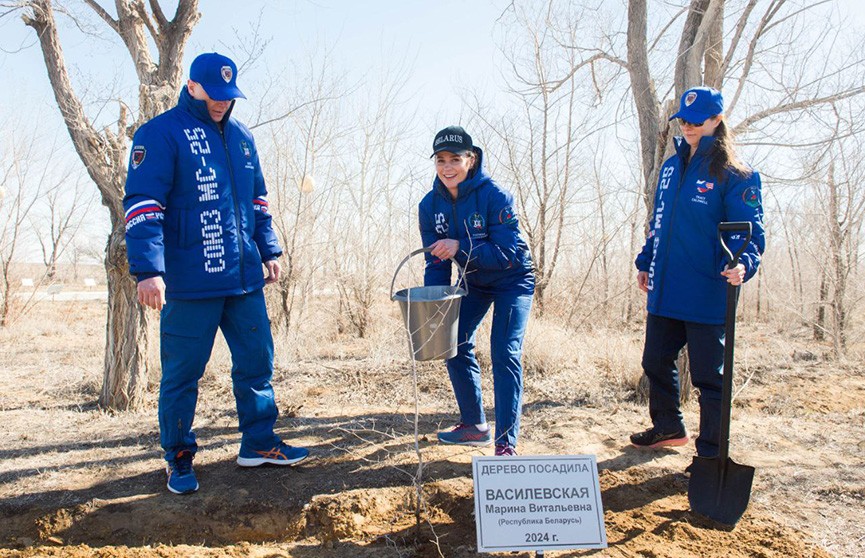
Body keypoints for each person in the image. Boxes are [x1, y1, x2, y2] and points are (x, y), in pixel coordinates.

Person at [124, 52, 309, 495]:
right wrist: (148, 270)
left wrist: (269, 250)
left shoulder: (243, 137)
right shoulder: (160, 134)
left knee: (256, 364)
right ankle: (179, 457)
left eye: (228, 95)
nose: (222, 103)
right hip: (189, 284)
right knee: (182, 375)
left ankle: (259, 443)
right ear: (191, 86)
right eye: (213, 94)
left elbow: (257, 202)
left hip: (244, 278)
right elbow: (142, 205)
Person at [632, 86, 765, 461]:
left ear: (717, 121)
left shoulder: (736, 173)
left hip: (709, 289)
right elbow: (659, 222)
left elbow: (750, 231)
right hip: (666, 286)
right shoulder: (671, 166)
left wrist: (745, 263)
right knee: (655, 361)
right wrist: (646, 261)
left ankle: (710, 454)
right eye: (684, 120)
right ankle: (669, 426)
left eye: (697, 121)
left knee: (709, 378)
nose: (689, 127)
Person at [418, 126, 535, 457]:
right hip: (473, 280)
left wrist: (459, 246)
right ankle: (474, 426)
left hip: (513, 279)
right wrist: (435, 304)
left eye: (455, 159)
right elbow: (437, 262)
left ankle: (505, 443)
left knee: (504, 351)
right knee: (451, 341)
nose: (447, 167)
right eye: (440, 160)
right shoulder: (429, 207)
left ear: (471, 159)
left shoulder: (495, 195)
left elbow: (508, 253)